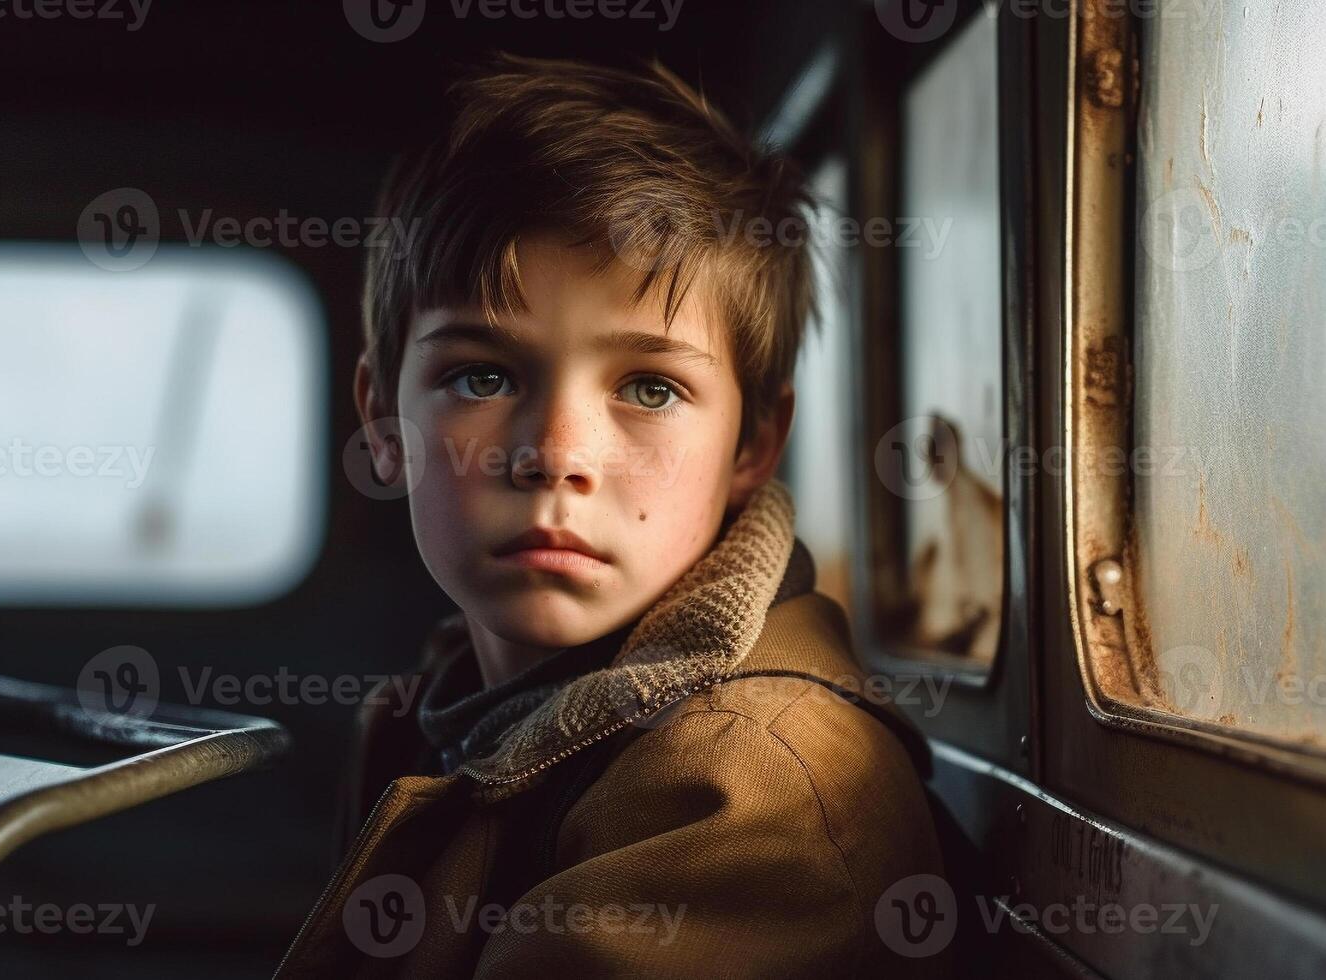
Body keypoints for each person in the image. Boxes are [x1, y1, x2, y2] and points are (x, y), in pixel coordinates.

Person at [274, 53, 947, 978]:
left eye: (649, 387)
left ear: (753, 442)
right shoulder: (457, 703)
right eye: (482, 376)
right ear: (382, 424)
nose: (556, 453)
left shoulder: (748, 793)